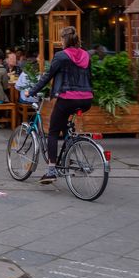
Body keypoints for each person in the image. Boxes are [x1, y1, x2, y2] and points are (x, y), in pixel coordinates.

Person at [26, 26, 93, 184]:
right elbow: (90, 77)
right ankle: (67, 157)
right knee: (65, 125)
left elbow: (48, 77)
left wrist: (32, 91)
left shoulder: (61, 56)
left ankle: (51, 171)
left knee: (53, 132)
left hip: (68, 98)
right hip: (86, 99)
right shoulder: (86, 55)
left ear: (64, 39)